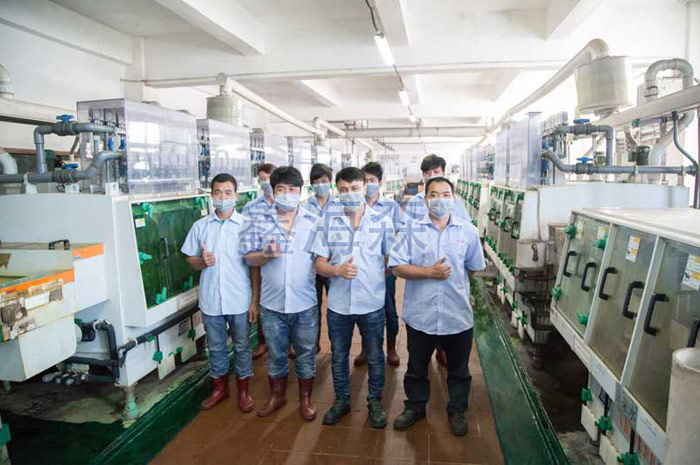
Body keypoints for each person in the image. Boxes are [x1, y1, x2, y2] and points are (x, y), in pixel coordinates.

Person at [389, 177, 485, 437]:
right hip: (421, 314)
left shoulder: (468, 231)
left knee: (459, 369)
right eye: (433, 195)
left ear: (454, 199)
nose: (439, 199)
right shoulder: (411, 230)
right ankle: (415, 407)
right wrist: (428, 273)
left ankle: (457, 410)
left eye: (445, 194)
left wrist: (454, 283)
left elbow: (473, 268)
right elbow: (397, 266)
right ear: (425, 200)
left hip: (456, 313)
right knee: (417, 366)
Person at [313, 167, 394, 429]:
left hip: (372, 302)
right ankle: (342, 400)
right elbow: (319, 263)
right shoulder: (327, 222)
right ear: (337, 191)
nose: (349, 193)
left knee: (375, 355)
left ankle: (374, 401)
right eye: (344, 189)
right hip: (339, 304)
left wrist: (372, 277)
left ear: (365, 188)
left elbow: (389, 260)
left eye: (355, 188)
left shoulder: (381, 221)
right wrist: (336, 271)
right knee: (339, 355)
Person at [242, 166, 320, 421]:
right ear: (273, 192)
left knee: (306, 353)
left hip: (305, 302)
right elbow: (249, 259)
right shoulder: (258, 220)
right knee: (276, 354)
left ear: (301, 192)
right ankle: (278, 396)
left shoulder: (314, 221)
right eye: (281, 189)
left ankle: (305, 399)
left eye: (292, 189)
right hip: (271, 304)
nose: (287, 194)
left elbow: (322, 259)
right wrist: (266, 255)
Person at [181, 173, 258, 412]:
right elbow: (190, 259)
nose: (222, 197)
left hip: (239, 298)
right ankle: (220, 388)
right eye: (217, 193)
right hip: (211, 299)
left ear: (236, 195)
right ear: (211, 195)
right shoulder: (201, 226)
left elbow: (254, 267)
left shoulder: (246, 226)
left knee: (242, 345)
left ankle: (243, 391)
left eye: (227, 193)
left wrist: (254, 301)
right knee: (215, 346)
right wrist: (202, 261)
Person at [403, 154, 470, 366]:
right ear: (423, 175)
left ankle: (442, 350)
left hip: (449, 269)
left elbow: (466, 235)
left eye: (436, 171)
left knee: (447, 316)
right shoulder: (415, 202)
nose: (432, 175)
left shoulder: (455, 202)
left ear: (443, 172)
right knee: (424, 324)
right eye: (428, 172)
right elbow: (405, 233)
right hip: (420, 268)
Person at [353, 162, 403, 367]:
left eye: (372, 180)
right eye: (366, 181)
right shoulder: (355, 204)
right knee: (364, 310)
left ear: (380, 182)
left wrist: (387, 265)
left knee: (388, 308)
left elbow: (398, 236)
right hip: (362, 269)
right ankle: (366, 348)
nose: (369, 184)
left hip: (385, 268)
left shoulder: (391, 207)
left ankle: (391, 348)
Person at [242, 163, 277, 360]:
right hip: (260, 261)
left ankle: (290, 343)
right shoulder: (251, 208)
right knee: (262, 300)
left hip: (282, 262)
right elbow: (248, 243)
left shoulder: (290, 206)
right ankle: (263, 342)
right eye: (262, 179)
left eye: (269, 178)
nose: (266, 182)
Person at [301, 163, 335, 353]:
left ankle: (337, 344)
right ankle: (313, 344)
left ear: (330, 182)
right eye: (316, 181)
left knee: (335, 307)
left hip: (333, 265)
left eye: (324, 181)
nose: (320, 185)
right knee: (313, 307)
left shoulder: (340, 205)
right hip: (310, 266)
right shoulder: (304, 207)